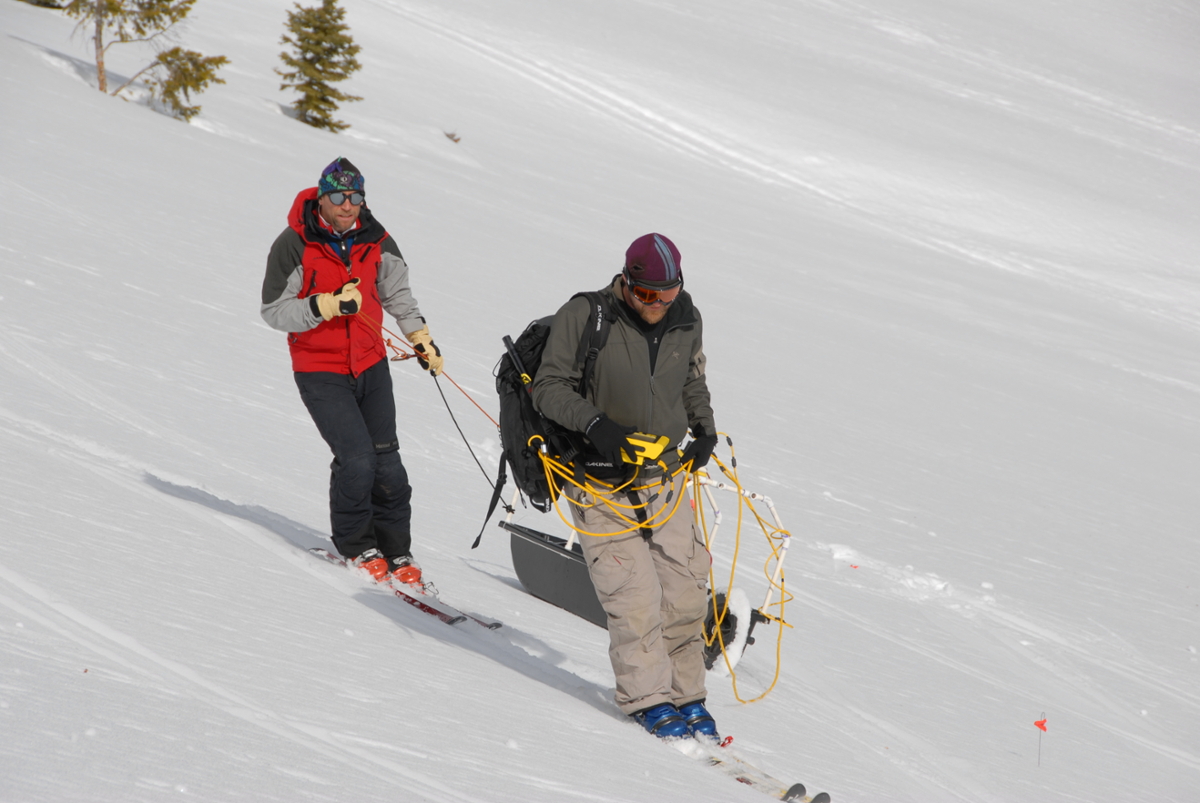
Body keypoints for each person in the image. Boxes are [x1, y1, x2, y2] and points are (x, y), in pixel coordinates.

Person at [531, 233, 722, 739]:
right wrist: (599, 428)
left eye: (668, 293)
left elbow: (691, 381)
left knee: (684, 594)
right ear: (627, 282)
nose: (658, 305)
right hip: (601, 483)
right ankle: (649, 699)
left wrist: (704, 428)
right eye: (646, 295)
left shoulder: (687, 316)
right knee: (634, 599)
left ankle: (687, 695)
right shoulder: (587, 315)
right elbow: (548, 387)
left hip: (665, 480)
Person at [260, 157, 444, 588]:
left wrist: (420, 337)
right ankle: (357, 546)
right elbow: (273, 311)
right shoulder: (294, 244)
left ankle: (397, 550)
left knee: (389, 465)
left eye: (355, 196)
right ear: (322, 197)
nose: (348, 205)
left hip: (371, 363)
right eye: (339, 196)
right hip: (319, 369)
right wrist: (322, 306)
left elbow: (397, 292)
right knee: (358, 460)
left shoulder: (376, 238)